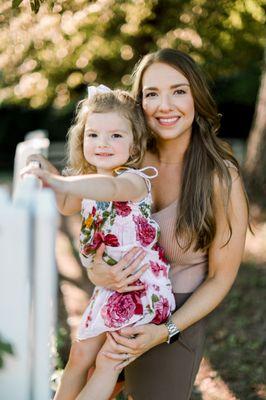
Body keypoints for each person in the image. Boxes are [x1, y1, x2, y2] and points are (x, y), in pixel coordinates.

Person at [27, 48, 248, 400]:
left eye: (178, 91)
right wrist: (97, 270)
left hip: (174, 312)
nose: (165, 105)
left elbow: (222, 277)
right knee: (82, 373)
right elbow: (87, 211)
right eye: (151, 93)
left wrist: (165, 331)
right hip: (115, 297)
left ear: (196, 97)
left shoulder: (220, 176)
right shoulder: (123, 151)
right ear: (138, 103)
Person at [24, 86, 176, 400]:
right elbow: (67, 203)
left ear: (135, 143)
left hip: (141, 289)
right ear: (82, 139)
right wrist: (47, 171)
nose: (102, 144)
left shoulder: (133, 180)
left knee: (107, 362)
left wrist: (63, 181)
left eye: (116, 136)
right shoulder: (88, 179)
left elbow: (108, 188)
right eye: (93, 135)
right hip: (110, 287)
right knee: (79, 357)